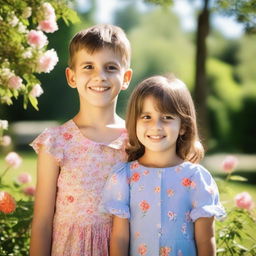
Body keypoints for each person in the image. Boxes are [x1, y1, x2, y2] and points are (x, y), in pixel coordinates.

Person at [29, 24, 133, 256]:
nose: (100, 76)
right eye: (88, 67)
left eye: (110, 67)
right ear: (72, 76)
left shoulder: (135, 141)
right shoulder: (56, 143)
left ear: (125, 78)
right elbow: (43, 223)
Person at [103, 75, 226, 256]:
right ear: (134, 123)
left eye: (167, 117)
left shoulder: (196, 178)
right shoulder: (124, 177)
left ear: (183, 126)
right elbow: (120, 238)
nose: (156, 126)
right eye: (146, 116)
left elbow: (205, 239)